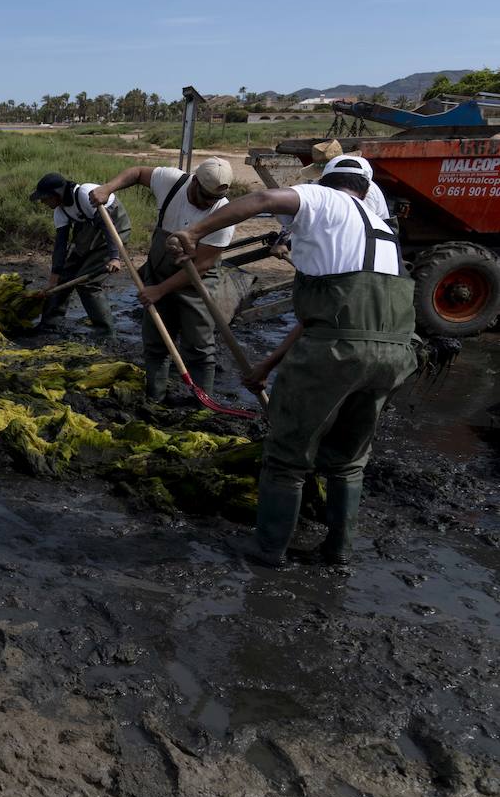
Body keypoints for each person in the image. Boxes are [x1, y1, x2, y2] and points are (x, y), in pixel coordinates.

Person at [166, 155, 417, 567]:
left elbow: (264, 198)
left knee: (287, 458)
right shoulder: (384, 229)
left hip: (336, 354)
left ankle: (268, 552)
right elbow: (330, 316)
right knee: (347, 461)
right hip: (393, 353)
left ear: (327, 180)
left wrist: (195, 231)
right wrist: (266, 366)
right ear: (366, 188)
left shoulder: (324, 200)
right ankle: (337, 552)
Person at [89, 158, 235, 400]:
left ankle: (202, 404)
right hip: (158, 270)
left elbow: (203, 264)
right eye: (205, 196)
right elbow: (136, 172)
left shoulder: (223, 212)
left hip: (195, 283)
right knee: (156, 341)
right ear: (195, 181)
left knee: (199, 347)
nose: (208, 203)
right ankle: (154, 398)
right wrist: (107, 188)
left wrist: (160, 290)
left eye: (213, 199)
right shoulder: (172, 181)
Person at [28, 172, 128, 338]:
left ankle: (106, 334)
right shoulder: (60, 212)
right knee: (64, 278)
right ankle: (48, 326)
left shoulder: (86, 195)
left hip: (114, 227)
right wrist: (54, 279)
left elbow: (107, 227)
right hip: (89, 229)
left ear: (57, 194)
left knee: (88, 282)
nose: (43, 202)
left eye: (45, 198)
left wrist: (114, 257)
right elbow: (60, 247)